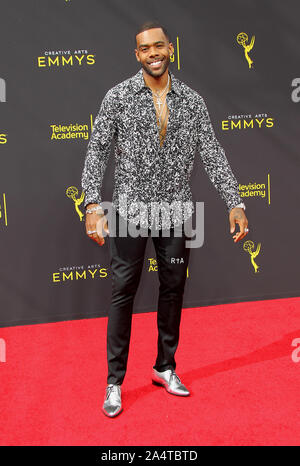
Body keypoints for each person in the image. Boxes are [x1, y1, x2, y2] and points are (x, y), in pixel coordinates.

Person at [81, 21, 249, 418]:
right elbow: (97, 150)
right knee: (123, 291)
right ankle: (114, 383)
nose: (153, 53)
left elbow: (212, 152)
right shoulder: (118, 97)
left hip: (177, 211)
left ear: (170, 49)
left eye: (159, 46)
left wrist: (235, 201)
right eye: (145, 48)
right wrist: (92, 205)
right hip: (129, 212)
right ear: (137, 55)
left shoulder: (192, 101)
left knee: (173, 289)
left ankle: (164, 367)